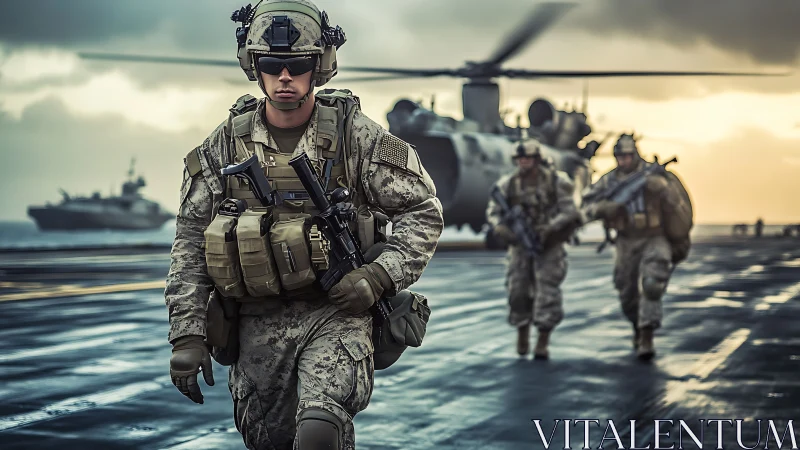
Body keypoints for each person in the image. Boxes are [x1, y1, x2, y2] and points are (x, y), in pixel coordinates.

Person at [164, 1, 444, 448]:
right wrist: (188, 332)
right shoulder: (223, 146)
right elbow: (192, 240)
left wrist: (378, 274)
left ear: (322, 66)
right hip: (256, 325)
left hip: (337, 313)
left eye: (298, 65)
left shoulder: (357, 137)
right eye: (272, 65)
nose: (285, 77)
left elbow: (422, 210)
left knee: (318, 431)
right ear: (253, 66)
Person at [581, 134, 693, 360]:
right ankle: (637, 325)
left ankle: (647, 335)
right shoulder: (609, 181)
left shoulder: (654, 175)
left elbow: (677, 202)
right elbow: (585, 206)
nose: (624, 160)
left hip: (655, 238)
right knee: (626, 291)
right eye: (620, 156)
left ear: (636, 154)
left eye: (628, 156)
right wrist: (603, 208)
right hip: (626, 240)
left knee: (652, 284)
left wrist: (662, 188)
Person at [486, 140, 581, 359]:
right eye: (520, 160)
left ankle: (543, 339)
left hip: (548, 244)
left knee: (547, 292)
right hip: (519, 245)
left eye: (527, 159)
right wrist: (501, 227)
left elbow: (569, 211)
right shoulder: (507, 184)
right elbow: (494, 211)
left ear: (537, 159)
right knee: (517, 291)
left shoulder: (556, 181)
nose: (523, 163)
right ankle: (522, 331)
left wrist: (550, 228)